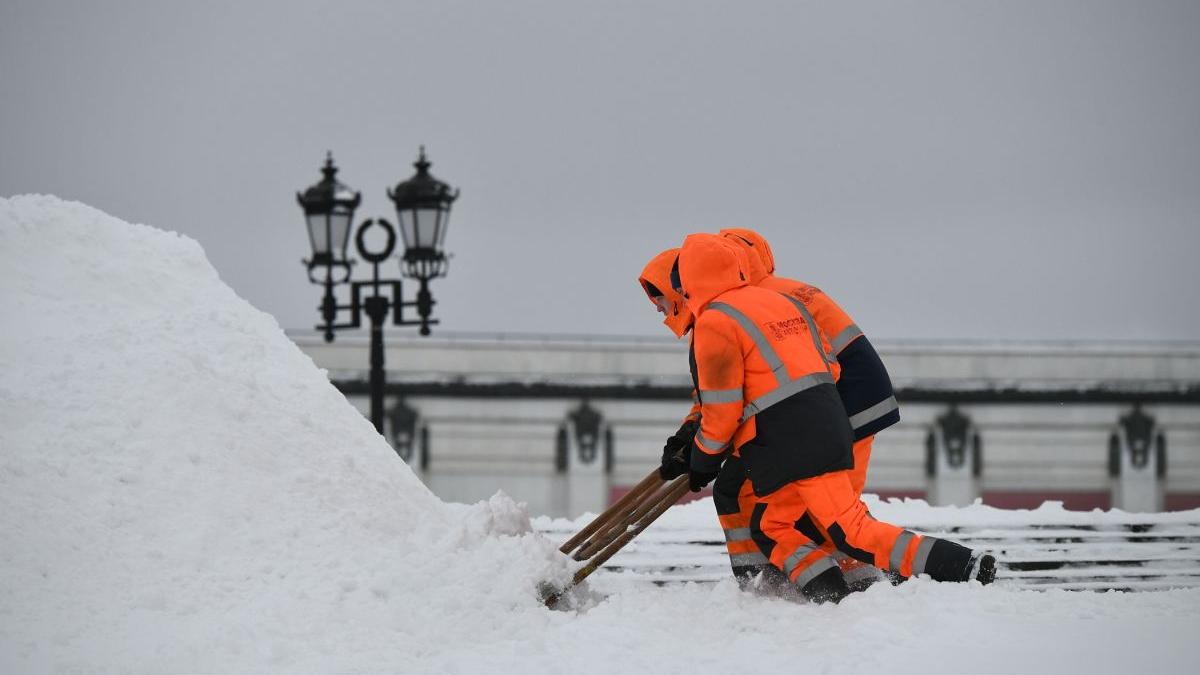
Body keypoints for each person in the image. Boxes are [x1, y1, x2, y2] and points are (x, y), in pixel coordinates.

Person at [662, 232, 994, 603]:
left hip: (786, 442)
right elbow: (829, 367)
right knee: (781, 525)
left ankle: (847, 594)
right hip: (830, 423)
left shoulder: (714, 321)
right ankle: (944, 569)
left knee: (842, 530)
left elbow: (722, 410)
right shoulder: (779, 302)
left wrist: (704, 459)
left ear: (688, 280)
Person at [717, 227, 899, 589]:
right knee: (819, 506)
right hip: (853, 396)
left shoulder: (753, 301)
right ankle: (846, 575)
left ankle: (865, 578)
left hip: (837, 401)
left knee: (827, 510)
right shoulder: (780, 289)